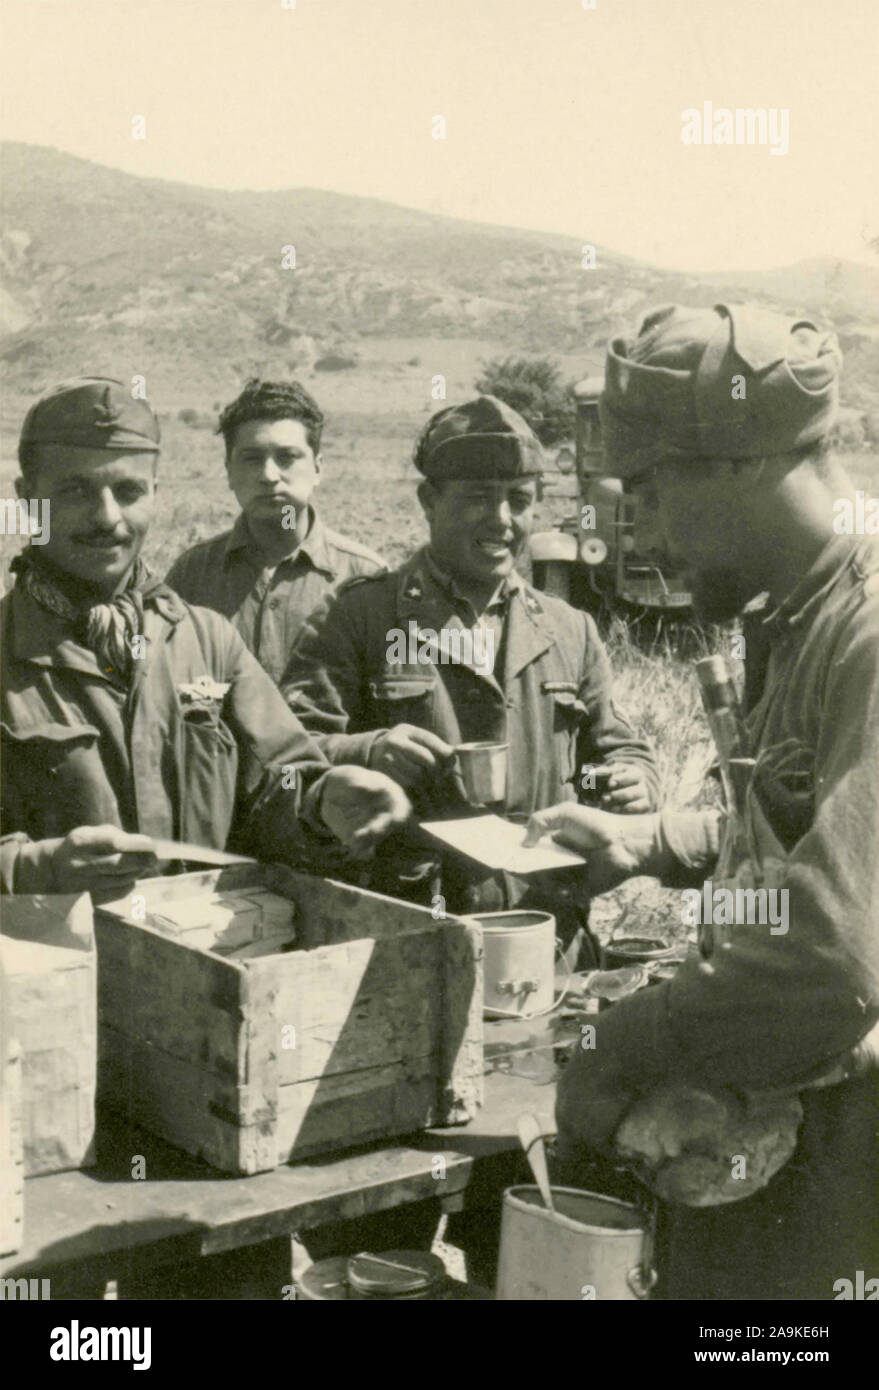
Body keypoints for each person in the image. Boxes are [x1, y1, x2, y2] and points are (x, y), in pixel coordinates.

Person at [526, 304, 879, 1299]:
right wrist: (659, 841)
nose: (635, 528)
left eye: (646, 489)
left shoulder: (865, 634)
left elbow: (831, 955)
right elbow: (821, 826)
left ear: (739, 461)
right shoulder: (803, 612)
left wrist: (626, 1042)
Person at [281, 394, 661, 970]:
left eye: (518, 500)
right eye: (479, 498)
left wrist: (637, 779)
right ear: (429, 502)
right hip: (407, 937)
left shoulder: (569, 629)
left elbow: (614, 744)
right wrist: (369, 750)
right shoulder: (360, 616)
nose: (502, 520)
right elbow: (287, 764)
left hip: (546, 936)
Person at [0, 377, 410, 900]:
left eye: (128, 492)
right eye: (75, 490)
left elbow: (276, 785)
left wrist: (319, 800)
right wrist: (34, 867)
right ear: (26, 498)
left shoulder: (208, 643)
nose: (107, 517)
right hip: (53, 973)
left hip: (195, 964)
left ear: (154, 495)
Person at [165, 378, 385, 685]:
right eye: (252, 459)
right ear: (229, 470)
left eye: (287, 457)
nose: (269, 476)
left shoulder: (366, 579)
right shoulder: (191, 576)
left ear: (318, 468)